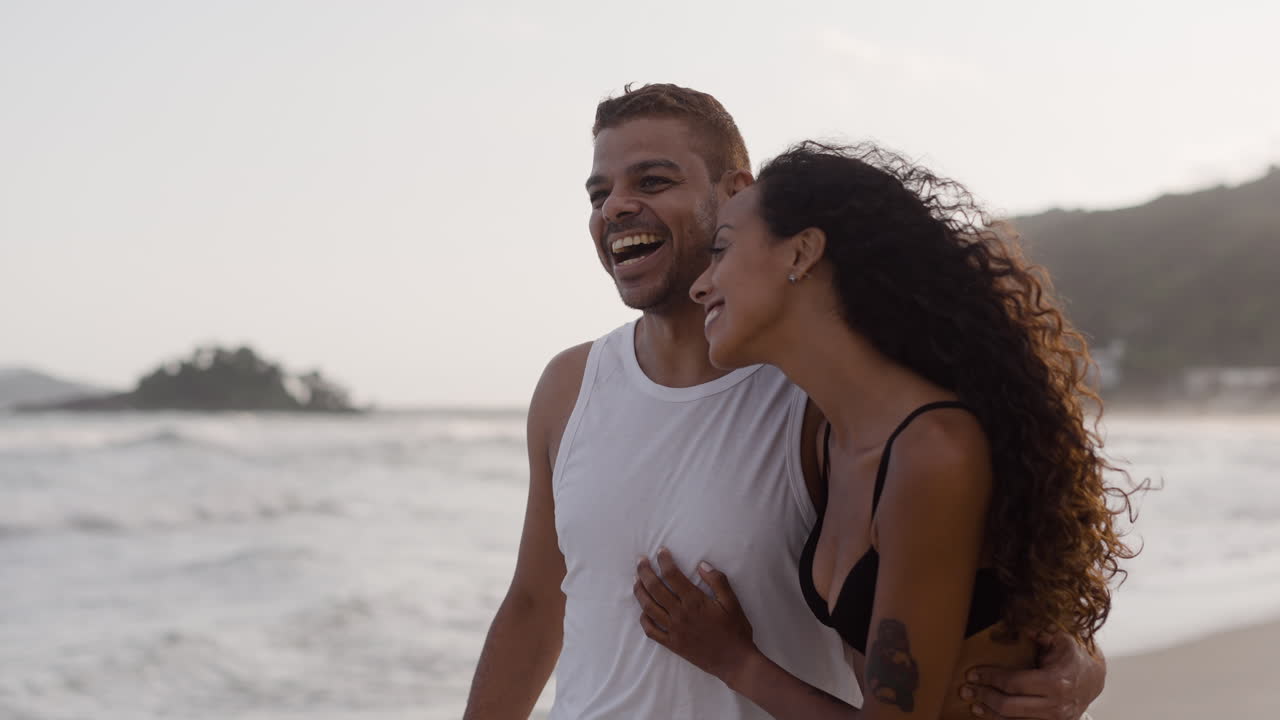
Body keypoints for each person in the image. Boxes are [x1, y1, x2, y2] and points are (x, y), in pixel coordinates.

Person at [462, 84, 1106, 720]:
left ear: (735, 194)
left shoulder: (822, 400)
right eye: (600, 194)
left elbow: (992, 565)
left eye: (653, 182)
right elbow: (534, 603)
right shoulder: (569, 387)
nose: (617, 209)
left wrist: (1078, 660)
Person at [632, 141, 1135, 719]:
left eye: (720, 251)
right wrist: (1085, 655)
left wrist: (734, 660)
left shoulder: (934, 449)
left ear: (802, 252)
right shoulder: (829, 436)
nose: (701, 285)